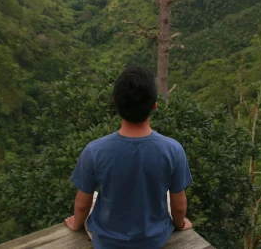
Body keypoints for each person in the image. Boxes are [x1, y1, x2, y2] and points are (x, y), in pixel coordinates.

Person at [65, 66, 193, 248]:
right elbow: (178, 206)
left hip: (107, 241)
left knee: (95, 197)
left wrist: (76, 223)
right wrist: (179, 224)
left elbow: (83, 204)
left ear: (115, 102)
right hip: (155, 240)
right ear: (154, 104)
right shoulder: (173, 150)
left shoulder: (94, 151)